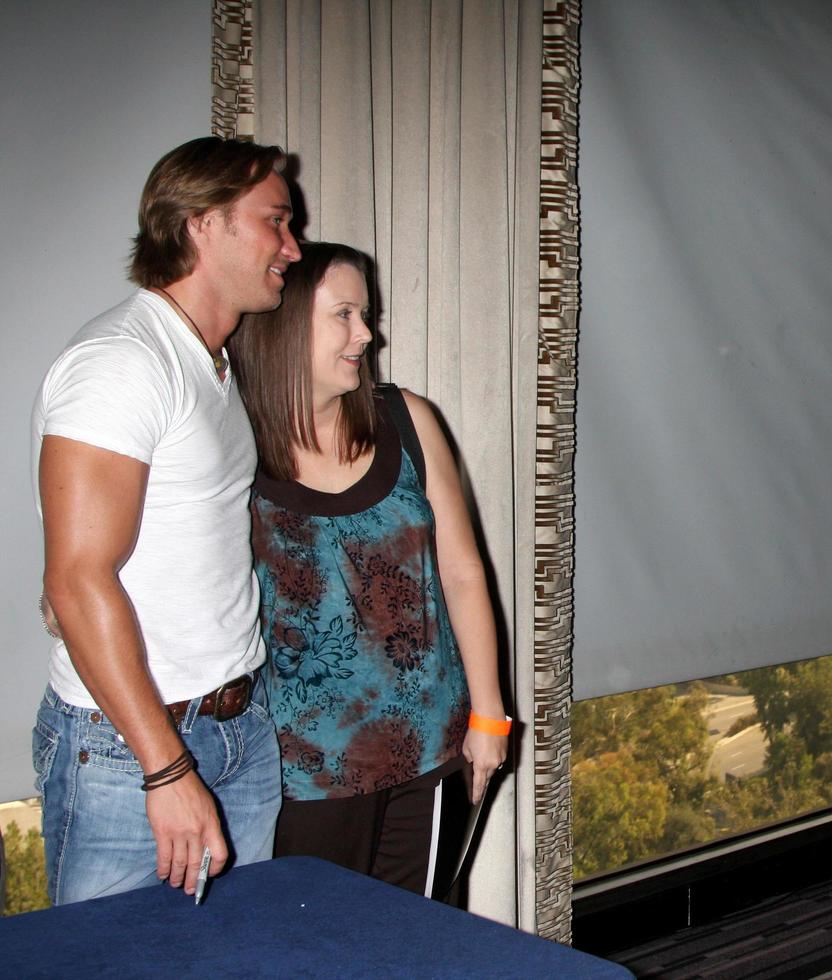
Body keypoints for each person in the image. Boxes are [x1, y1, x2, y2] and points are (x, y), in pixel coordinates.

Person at [31, 137, 301, 904]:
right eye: (275, 221)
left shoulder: (211, 364)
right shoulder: (122, 362)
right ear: (201, 223)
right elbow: (79, 579)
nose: (292, 244)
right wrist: (167, 767)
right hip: (131, 750)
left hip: (237, 729)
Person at [228, 242, 510, 901]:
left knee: (419, 945)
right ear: (282, 325)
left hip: (428, 755)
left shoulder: (406, 419)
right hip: (300, 774)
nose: (366, 333)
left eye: (366, 314)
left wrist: (489, 717)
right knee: (311, 951)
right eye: (345, 315)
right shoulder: (230, 445)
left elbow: (464, 574)